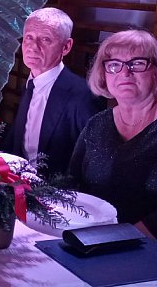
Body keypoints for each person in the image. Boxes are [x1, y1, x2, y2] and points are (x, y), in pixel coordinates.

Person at [69, 29, 157, 238]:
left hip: (146, 247)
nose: (124, 73)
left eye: (137, 63)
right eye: (114, 65)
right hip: (88, 237)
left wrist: (116, 238)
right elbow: (71, 182)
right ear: (104, 74)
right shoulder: (97, 124)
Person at [1, 8, 104, 177]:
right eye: (29, 37)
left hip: (55, 187)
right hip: (18, 178)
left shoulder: (82, 96)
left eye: (45, 39)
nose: (33, 47)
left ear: (66, 47)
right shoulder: (32, 82)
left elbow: (93, 161)